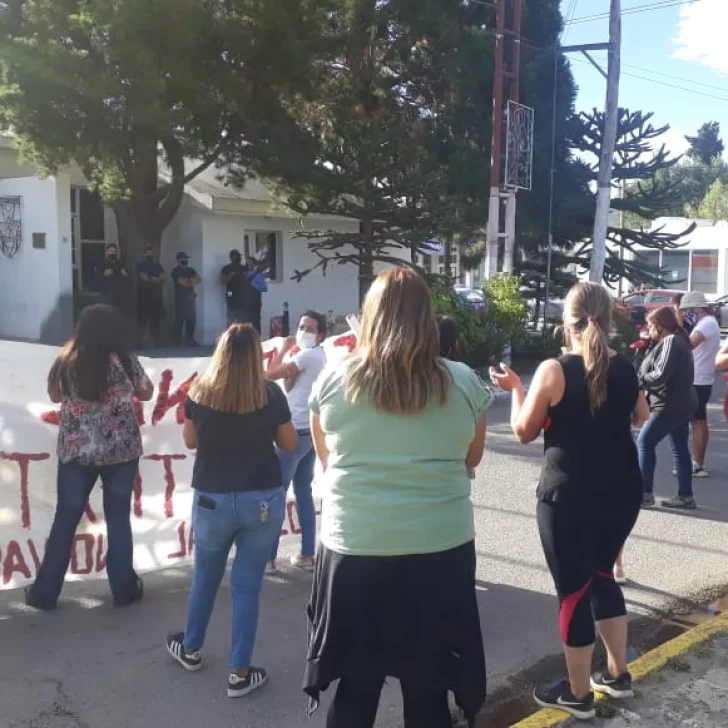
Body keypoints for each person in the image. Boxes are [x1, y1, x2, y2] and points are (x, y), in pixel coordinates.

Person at [305, 268, 492, 728]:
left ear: (369, 317)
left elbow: (326, 457)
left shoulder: (334, 380)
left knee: (355, 687)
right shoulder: (464, 382)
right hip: (438, 553)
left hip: (354, 549)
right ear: (428, 319)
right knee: (428, 691)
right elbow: (473, 455)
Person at [490, 282, 649, 721]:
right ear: (608, 317)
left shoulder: (554, 370)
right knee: (601, 576)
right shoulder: (626, 367)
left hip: (569, 495)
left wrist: (517, 389)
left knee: (574, 592)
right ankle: (617, 675)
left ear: (568, 319)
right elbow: (642, 417)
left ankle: (578, 694)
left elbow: (523, 431)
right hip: (622, 489)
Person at [166, 324, 297, 699]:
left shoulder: (199, 391)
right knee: (247, 587)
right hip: (261, 498)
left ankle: (190, 648)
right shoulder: (269, 394)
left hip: (213, 498)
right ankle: (240, 671)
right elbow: (288, 443)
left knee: (205, 578)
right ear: (256, 356)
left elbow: (191, 440)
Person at [25, 304, 154, 610]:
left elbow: (55, 396)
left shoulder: (68, 360)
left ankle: (45, 593)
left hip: (77, 453)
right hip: (121, 453)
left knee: (65, 520)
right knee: (119, 519)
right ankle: (124, 589)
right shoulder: (124, 359)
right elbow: (147, 392)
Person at [265, 311, 328, 573]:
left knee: (276, 493)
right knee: (303, 491)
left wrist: (282, 349)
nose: (304, 331)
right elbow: (289, 386)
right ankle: (307, 554)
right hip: (309, 433)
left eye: (310, 328)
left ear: (321, 334)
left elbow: (269, 374)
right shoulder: (314, 356)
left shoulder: (307, 356)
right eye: (302, 326)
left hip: (295, 432)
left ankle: (268, 558)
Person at [637, 306, 698, 509]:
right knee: (679, 448)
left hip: (669, 404)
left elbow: (661, 374)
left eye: (650, 325)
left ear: (660, 326)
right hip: (681, 403)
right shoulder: (674, 341)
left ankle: (645, 493)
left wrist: (640, 380)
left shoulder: (671, 341)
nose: (648, 329)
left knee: (645, 442)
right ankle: (685, 495)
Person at [679, 292, 721, 477]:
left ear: (696, 309)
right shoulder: (707, 323)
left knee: (697, 422)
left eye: (687, 310)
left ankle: (696, 463)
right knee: (698, 421)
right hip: (700, 378)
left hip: (697, 379)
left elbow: (688, 345)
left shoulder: (706, 324)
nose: (686, 313)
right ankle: (697, 462)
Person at [136, 245, 166, 345]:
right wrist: (155, 279)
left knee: (155, 320)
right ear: (143, 254)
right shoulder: (141, 265)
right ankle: (140, 341)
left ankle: (154, 342)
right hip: (143, 296)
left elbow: (163, 278)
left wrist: (153, 279)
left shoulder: (158, 266)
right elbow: (145, 278)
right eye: (147, 252)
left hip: (156, 297)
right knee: (142, 320)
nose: (150, 254)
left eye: (151, 252)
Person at [171, 252, 201, 347]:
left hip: (191, 298)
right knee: (179, 321)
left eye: (186, 258)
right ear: (178, 260)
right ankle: (177, 342)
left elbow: (198, 280)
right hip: (180, 299)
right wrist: (191, 281)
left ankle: (190, 340)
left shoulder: (191, 270)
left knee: (191, 320)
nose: (185, 260)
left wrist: (188, 280)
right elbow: (181, 282)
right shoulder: (176, 271)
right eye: (183, 258)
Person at [96, 243, 129, 310]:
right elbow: (96, 280)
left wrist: (125, 275)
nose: (113, 253)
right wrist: (104, 275)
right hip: (106, 297)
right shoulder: (102, 264)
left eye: (114, 252)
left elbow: (128, 279)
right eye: (111, 251)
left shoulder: (121, 264)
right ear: (107, 252)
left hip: (120, 298)